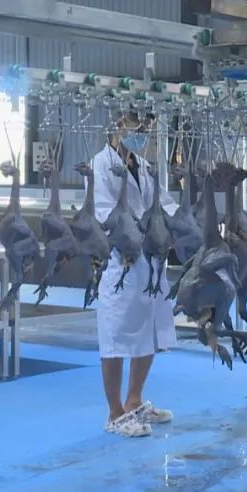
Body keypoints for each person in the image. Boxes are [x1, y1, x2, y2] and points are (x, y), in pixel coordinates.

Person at [90, 111, 179, 438]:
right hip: (122, 261)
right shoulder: (101, 164)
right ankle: (115, 414)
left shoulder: (142, 166)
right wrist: (142, 233)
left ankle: (134, 401)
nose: (143, 133)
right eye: (138, 127)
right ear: (119, 124)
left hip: (151, 264)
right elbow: (103, 212)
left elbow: (164, 204)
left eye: (147, 128)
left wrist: (183, 224)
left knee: (148, 332)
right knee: (115, 337)